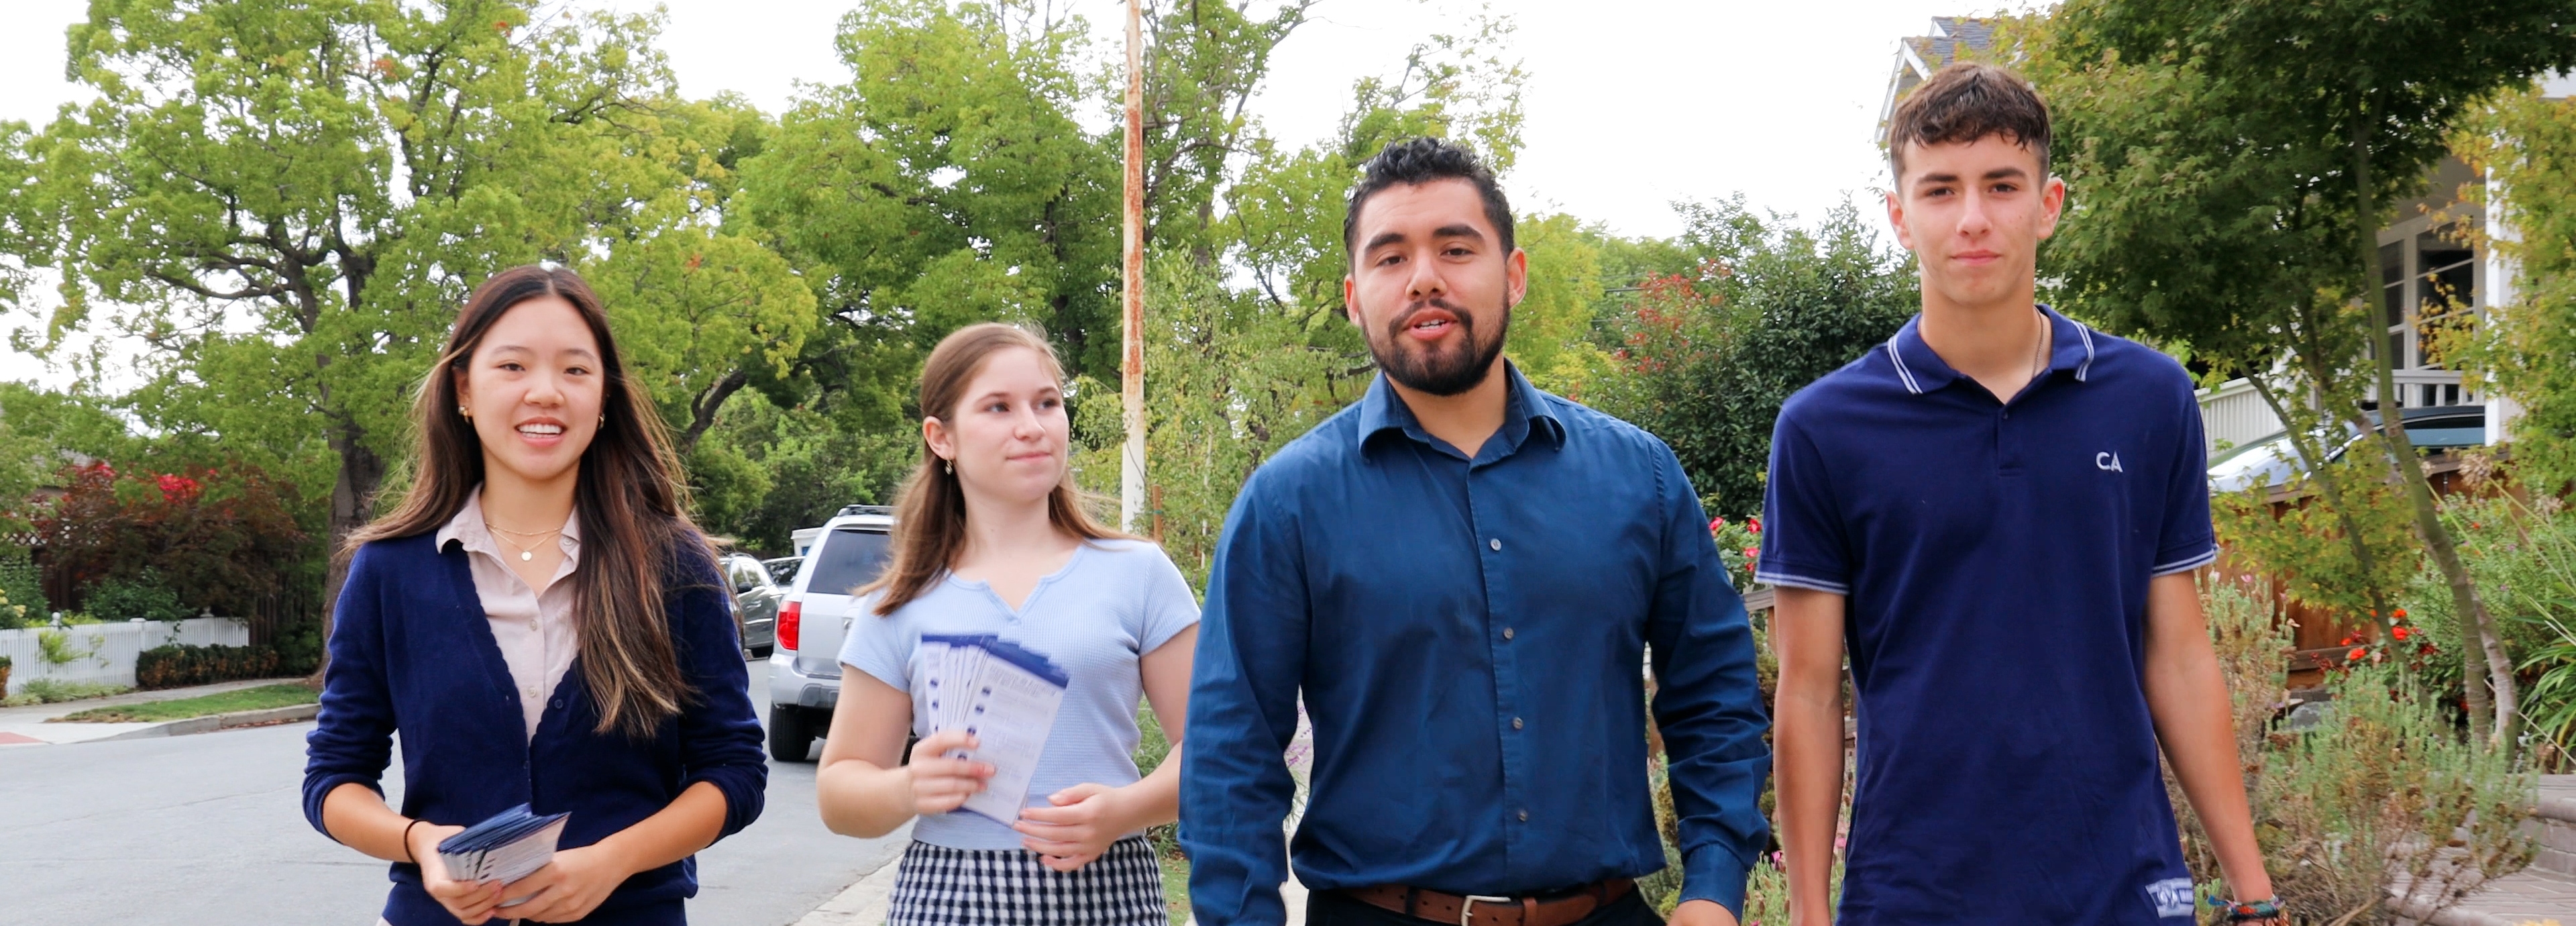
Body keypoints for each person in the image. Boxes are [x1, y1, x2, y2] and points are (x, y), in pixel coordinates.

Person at [1183, 137, 1770, 926]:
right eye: (1389, 258)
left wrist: (1714, 889)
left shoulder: (1641, 480)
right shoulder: (1288, 503)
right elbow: (1231, 756)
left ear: (1514, 275)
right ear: (1355, 297)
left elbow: (1715, 698)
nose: (1424, 276)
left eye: (1456, 249)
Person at [1761, 62, 2283, 925]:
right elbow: (1810, 694)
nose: (1972, 219)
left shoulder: (2149, 397)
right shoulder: (1823, 429)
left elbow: (2181, 656)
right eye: (1940, 190)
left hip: (2123, 884)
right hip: (1915, 894)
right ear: (1900, 216)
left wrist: (2255, 891)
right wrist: (1811, 913)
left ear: (2048, 203)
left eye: (2002, 186)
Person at [302, 264, 769, 926]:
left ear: (604, 395)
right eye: (513, 367)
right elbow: (333, 779)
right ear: (464, 387)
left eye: (576, 371)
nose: (545, 393)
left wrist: (613, 860)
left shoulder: (672, 564)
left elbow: (735, 771)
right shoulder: (389, 570)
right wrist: (421, 843)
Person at [814, 322, 1199, 926]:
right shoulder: (900, 602)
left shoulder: (1138, 572)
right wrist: (909, 787)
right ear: (942, 438)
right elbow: (839, 792)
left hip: (1109, 890)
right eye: (998, 407)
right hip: (947, 898)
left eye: (1048, 403)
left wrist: (1127, 810)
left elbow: (1214, 746)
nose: (1033, 426)